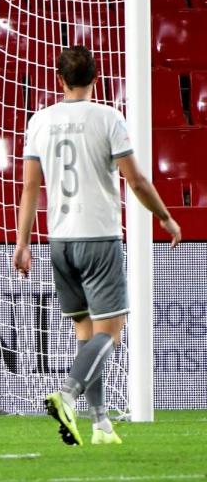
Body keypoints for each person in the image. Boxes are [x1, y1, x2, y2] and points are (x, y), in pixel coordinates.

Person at [14, 46, 182, 446]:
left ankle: (101, 424)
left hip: (59, 240)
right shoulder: (109, 118)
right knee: (112, 332)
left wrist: (22, 242)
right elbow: (137, 181)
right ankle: (68, 393)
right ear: (96, 77)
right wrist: (164, 216)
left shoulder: (40, 121)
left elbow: (30, 187)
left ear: (59, 79)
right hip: (99, 236)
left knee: (87, 335)